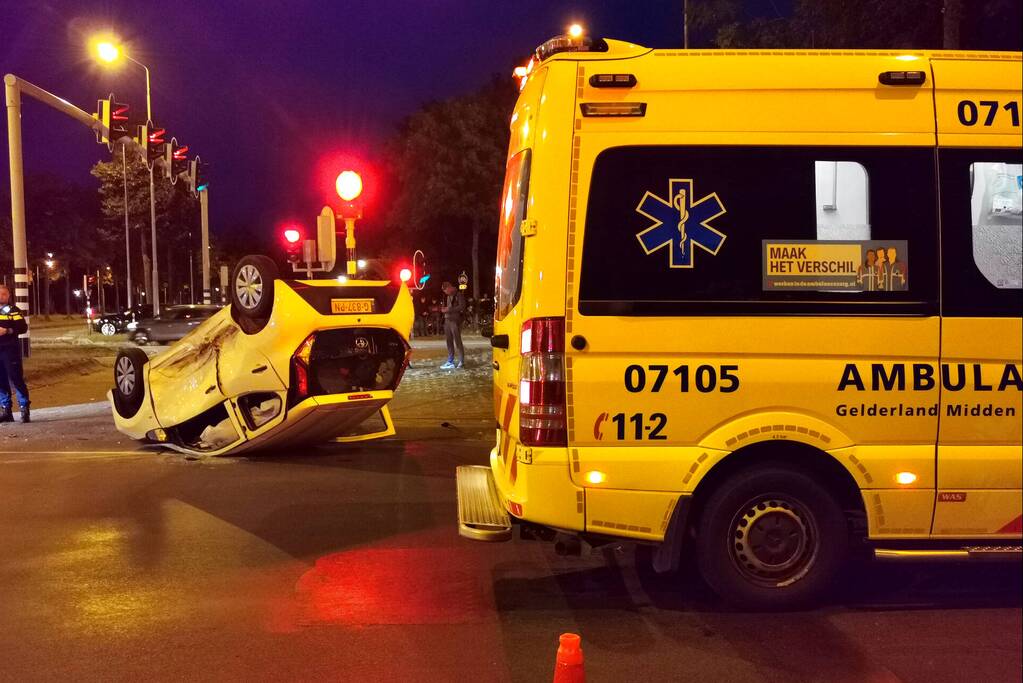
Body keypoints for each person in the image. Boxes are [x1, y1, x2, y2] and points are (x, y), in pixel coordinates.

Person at [0, 284, 30, 423]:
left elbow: (22, 327)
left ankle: (24, 408)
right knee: (0, 381)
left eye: (4, 294)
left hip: (10, 349)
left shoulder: (13, 311)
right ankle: (6, 410)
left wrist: (7, 331)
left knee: (16, 378)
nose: (1, 296)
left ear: (8, 295)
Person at [440, 281, 466, 369]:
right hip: (447, 320)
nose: (445, 293)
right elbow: (448, 307)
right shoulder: (448, 296)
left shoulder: (458, 295)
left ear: (449, 287)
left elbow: (462, 307)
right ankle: (450, 361)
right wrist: (444, 310)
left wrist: (450, 309)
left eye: (445, 290)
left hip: (455, 321)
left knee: (457, 341)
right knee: (449, 341)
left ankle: (461, 361)